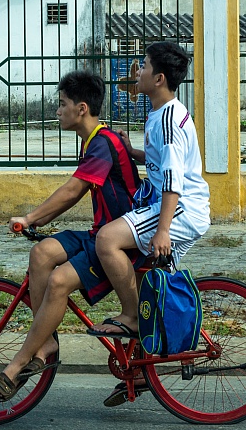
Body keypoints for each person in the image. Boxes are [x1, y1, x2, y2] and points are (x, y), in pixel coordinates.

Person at [0, 70, 144, 402]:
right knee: (41, 253)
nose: (57, 111)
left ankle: (17, 365)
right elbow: (76, 192)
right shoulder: (94, 140)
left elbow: (73, 190)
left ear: (81, 108)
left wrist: (30, 218)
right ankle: (45, 342)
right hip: (100, 234)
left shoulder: (103, 143)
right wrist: (36, 223)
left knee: (58, 281)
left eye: (62, 104)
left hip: (118, 243)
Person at [89, 41, 211, 403]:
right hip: (175, 206)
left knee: (107, 240)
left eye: (142, 65)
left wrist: (163, 231)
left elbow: (173, 178)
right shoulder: (161, 113)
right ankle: (143, 371)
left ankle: (130, 317)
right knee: (146, 281)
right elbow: (162, 161)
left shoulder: (169, 120)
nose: (137, 71)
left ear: (158, 78)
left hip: (180, 209)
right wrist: (134, 152)